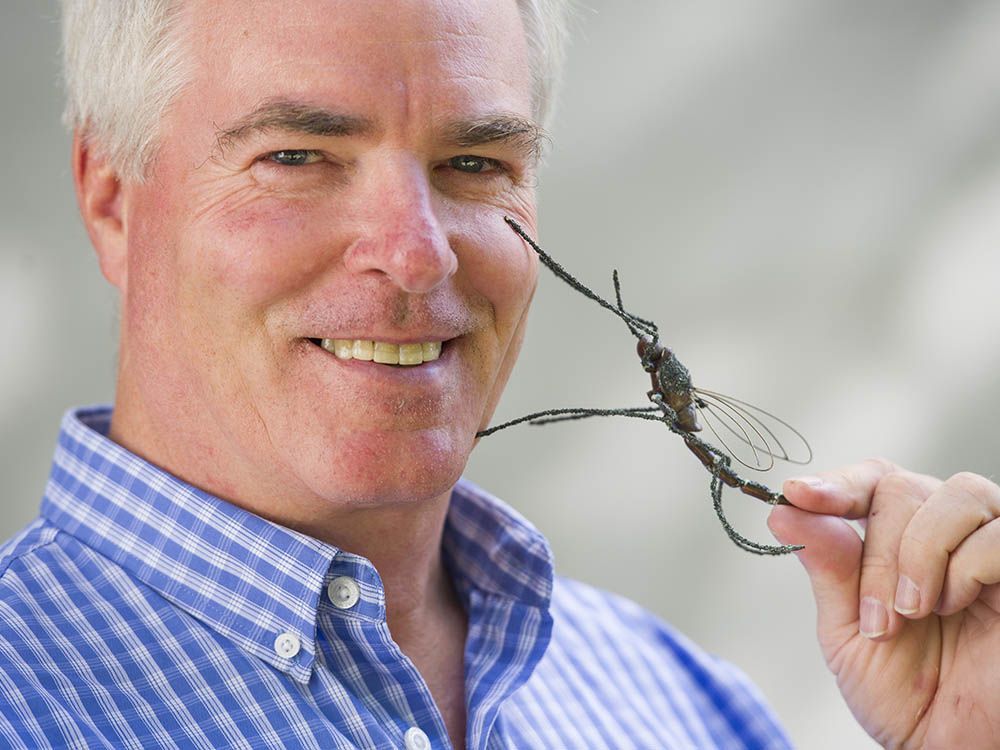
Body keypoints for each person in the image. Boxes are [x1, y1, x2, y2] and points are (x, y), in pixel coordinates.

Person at [1, 0, 998, 748]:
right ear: (110, 201)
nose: (417, 252)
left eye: (475, 164)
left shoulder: (686, 707)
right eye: (298, 154)